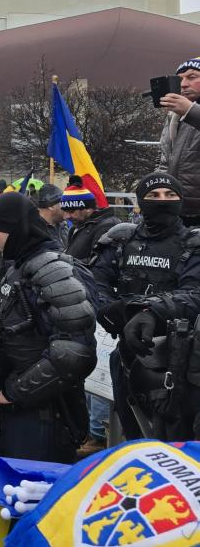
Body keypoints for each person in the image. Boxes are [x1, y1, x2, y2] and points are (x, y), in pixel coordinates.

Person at [0, 192, 97, 466]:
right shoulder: (19, 267)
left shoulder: (53, 271)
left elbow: (74, 353)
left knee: (29, 502)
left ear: (16, 229)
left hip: (42, 415)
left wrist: (13, 392)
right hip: (8, 405)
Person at [92, 172, 200, 442]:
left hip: (175, 362)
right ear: (140, 202)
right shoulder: (121, 241)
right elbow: (94, 283)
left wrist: (150, 311)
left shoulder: (194, 244)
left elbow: (195, 293)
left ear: (180, 201)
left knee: (172, 442)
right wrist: (110, 309)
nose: (162, 200)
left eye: (169, 195)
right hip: (126, 355)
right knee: (133, 437)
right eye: (154, 195)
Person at [159, 57, 200, 226]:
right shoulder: (175, 116)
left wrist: (191, 111)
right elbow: (163, 160)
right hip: (175, 212)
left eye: (191, 77)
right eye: (180, 78)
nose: (183, 84)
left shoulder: (188, 112)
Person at [61, 184, 120, 263]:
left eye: (71, 211)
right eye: (65, 211)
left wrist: (65, 264)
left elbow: (100, 264)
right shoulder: (76, 227)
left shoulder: (107, 226)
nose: (67, 217)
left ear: (88, 208)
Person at [36, 184, 67, 248]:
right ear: (51, 206)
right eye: (63, 203)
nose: (66, 206)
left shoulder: (63, 225)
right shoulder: (34, 231)